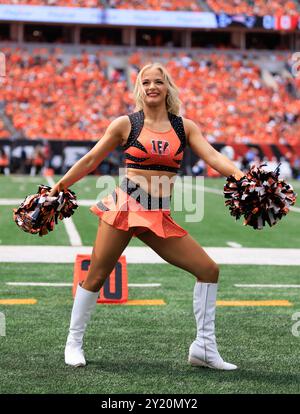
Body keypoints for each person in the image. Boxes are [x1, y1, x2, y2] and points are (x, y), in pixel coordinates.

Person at [49, 62, 245, 370]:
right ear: (140, 89)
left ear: (168, 88)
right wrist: (59, 187)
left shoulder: (184, 127)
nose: (152, 86)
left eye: (158, 81)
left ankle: (204, 349)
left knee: (208, 270)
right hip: (125, 207)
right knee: (97, 276)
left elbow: (213, 156)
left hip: (157, 214)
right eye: (146, 82)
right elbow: (90, 159)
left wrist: (240, 176)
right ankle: (73, 342)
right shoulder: (126, 124)